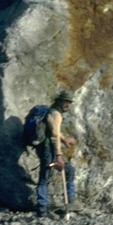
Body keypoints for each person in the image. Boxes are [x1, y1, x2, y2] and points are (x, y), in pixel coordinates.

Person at [36, 89, 78, 217]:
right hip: (49, 151)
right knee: (45, 175)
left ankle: (69, 201)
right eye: (66, 102)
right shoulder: (56, 114)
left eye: (70, 102)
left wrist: (64, 139)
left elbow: (54, 131)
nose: (68, 105)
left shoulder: (54, 112)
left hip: (47, 150)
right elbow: (54, 136)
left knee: (67, 170)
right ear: (60, 101)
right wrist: (59, 156)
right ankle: (42, 209)